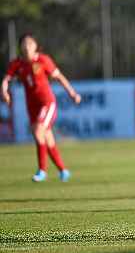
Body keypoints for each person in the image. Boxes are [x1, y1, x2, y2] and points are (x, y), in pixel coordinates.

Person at [1, 33, 81, 182]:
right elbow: (6, 79)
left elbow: (59, 76)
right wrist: (4, 91)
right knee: (47, 138)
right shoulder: (17, 64)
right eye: (24, 43)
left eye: (30, 43)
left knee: (39, 131)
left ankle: (42, 171)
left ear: (36, 46)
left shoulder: (43, 60)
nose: (27, 46)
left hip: (47, 102)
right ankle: (63, 170)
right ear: (20, 47)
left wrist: (72, 93)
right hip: (32, 106)